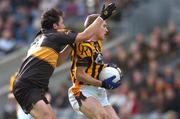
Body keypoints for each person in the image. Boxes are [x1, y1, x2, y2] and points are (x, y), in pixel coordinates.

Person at [12, 3, 116, 119]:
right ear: (55, 26)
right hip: (27, 85)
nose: (64, 25)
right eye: (62, 23)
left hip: (32, 86)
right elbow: (85, 35)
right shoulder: (55, 35)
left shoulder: (42, 37)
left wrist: (71, 45)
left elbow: (58, 62)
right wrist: (102, 17)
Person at [68, 14, 122, 119]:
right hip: (81, 90)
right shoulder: (84, 46)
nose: (106, 30)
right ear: (95, 27)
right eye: (104, 26)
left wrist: (109, 68)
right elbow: (79, 75)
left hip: (98, 91)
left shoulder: (98, 43)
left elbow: (93, 64)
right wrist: (102, 83)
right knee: (102, 116)